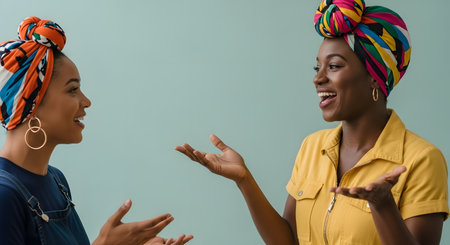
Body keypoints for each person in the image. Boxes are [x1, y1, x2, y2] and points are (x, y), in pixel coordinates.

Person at [175, 0, 449, 244]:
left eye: (334, 66)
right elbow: (287, 240)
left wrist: (383, 206)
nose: (318, 78)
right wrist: (245, 180)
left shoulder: (421, 160)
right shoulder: (312, 147)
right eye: (317, 67)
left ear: (374, 78)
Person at [0, 17, 193, 245]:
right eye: (73, 90)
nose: (86, 101)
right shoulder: (4, 196)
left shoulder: (56, 180)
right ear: (31, 102)